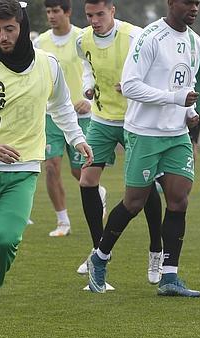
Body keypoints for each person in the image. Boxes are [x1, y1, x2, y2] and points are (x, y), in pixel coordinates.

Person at [0, 1, 93, 338]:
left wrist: (77, 138)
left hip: (23, 170)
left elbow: (59, 106)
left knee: (7, 240)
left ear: (23, 26)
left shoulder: (48, 65)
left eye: (9, 28)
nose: (2, 36)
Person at [87, 0, 200, 298]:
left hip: (176, 134)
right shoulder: (150, 37)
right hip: (144, 133)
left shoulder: (195, 42)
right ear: (171, 3)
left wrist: (189, 112)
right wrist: (175, 99)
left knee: (179, 200)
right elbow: (130, 85)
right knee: (134, 202)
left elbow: (185, 83)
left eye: (198, 3)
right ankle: (99, 258)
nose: (194, 7)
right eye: (188, 2)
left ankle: (170, 277)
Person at [75, 0, 164, 285]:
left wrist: (132, 85)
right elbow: (87, 65)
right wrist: (88, 86)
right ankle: (98, 250)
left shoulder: (135, 36)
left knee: (144, 184)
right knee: (87, 181)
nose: (94, 20)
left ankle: (156, 249)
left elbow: (154, 70)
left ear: (112, 11)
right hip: (102, 119)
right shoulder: (83, 39)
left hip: (134, 120)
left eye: (100, 14)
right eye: (89, 15)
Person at [33, 0, 92, 239]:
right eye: (48, 11)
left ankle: (99, 193)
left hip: (80, 115)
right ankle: (62, 221)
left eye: (55, 11)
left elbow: (95, 71)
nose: (51, 16)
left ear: (67, 12)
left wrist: (91, 100)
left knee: (81, 173)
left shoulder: (83, 38)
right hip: (51, 114)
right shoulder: (40, 42)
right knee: (51, 167)